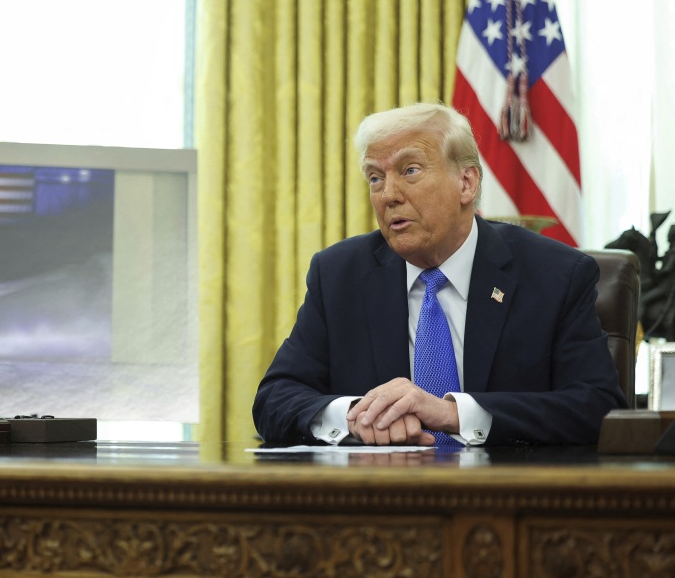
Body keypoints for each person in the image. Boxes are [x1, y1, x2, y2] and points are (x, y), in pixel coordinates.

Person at [252, 103, 628, 446]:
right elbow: (275, 398)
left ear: (466, 183)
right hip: (380, 503)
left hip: (506, 502)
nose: (388, 195)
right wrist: (356, 417)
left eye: (409, 170)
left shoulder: (555, 275)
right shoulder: (340, 274)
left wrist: (453, 414)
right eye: (375, 178)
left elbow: (597, 408)